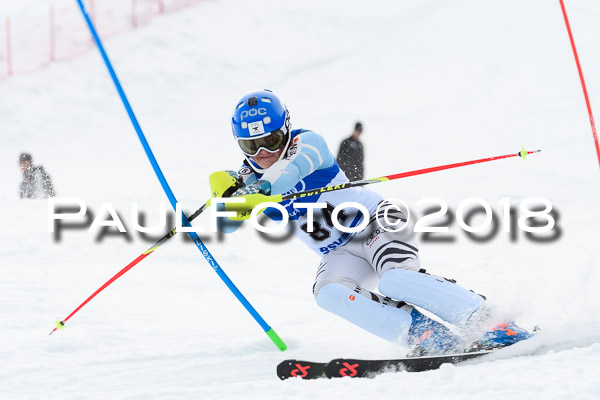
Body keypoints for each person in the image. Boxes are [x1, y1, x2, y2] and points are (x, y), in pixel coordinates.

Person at [209, 89, 531, 355]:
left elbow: (285, 176)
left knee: (394, 280)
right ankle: (425, 336)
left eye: (272, 139)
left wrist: (256, 190)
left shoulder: (307, 144)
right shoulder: (247, 179)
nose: (263, 152)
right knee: (329, 294)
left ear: (287, 129)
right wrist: (223, 201)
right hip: (338, 252)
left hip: (377, 222)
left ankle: (490, 321)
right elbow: (227, 225)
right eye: (252, 145)